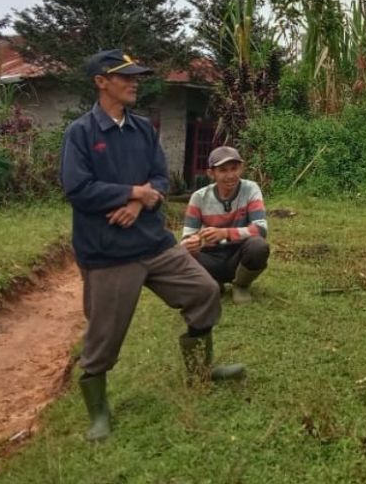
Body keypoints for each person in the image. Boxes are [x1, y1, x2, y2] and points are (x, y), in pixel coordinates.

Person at [61, 49, 245, 443]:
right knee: (104, 337)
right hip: (108, 252)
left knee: (204, 292)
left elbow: (161, 179)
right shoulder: (82, 133)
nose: (134, 83)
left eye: (136, 77)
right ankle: (99, 411)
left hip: (154, 242)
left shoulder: (143, 128)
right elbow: (76, 188)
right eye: (125, 77)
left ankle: (201, 371)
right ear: (101, 82)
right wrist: (130, 191)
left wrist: (138, 200)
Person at [181, 146, 270, 304]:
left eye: (234, 169)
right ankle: (213, 284)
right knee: (183, 255)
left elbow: (261, 229)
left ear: (241, 169)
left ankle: (241, 285)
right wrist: (191, 243)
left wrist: (225, 233)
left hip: (239, 255)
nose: (230, 175)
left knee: (259, 246)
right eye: (223, 170)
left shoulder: (251, 189)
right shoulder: (199, 198)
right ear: (211, 173)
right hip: (210, 256)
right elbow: (187, 237)